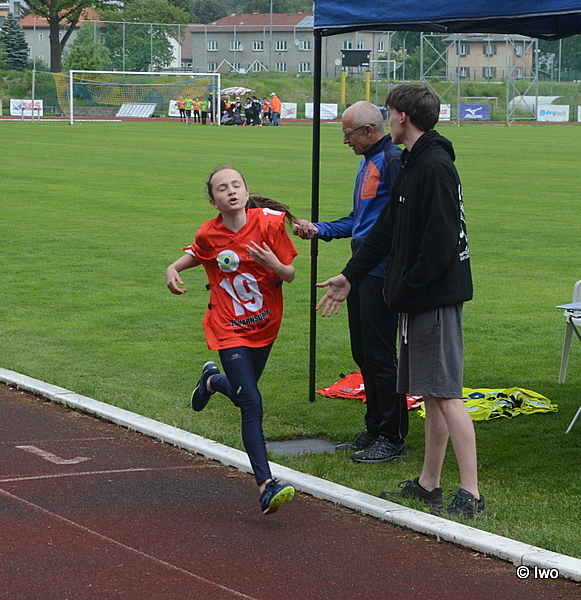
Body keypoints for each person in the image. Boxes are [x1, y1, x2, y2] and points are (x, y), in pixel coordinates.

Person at [316, 84, 484, 518]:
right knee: (431, 393)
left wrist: (406, 288)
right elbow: (385, 230)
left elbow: (442, 241)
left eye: (389, 112)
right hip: (418, 297)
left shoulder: (435, 165)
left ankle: (471, 494)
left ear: (402, 117)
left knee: (446, 394)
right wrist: (350, 276)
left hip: (435, 298)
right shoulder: (410, 162)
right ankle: (429, 484)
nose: (387, 119)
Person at [166, 166, 298, 515]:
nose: (231, 191)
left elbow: (289, 274)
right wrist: (173, 268)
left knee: (242, 395)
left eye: (236, 185)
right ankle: (266, 485)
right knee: (252, 401)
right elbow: (199, 252)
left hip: (265, 324)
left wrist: (273, 264)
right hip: (227, 326)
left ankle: (211, 381)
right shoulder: (209, 233)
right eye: (222, 188)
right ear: (214, 201)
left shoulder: (269, 225)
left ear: (246, 191)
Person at [293, 101, 409, 463]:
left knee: (380, 355)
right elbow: (359, 221)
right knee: (363, 353)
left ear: (369, 131)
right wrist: (319, 229)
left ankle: (392, 437)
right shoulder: (368, 163)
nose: (345, 141)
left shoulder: (392, 161)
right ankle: (375, 428)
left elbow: (395, 224)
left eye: (348, 134)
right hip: (361, 270)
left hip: (380, 273)